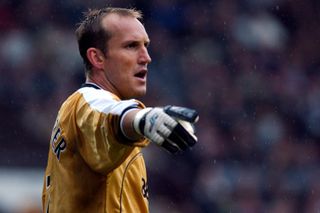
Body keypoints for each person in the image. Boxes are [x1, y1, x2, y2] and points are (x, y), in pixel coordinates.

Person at [42, 7, 199, 213]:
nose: (146, 57)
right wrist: (144, 118)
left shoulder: (82, 116)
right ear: (97, 58)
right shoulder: (87, 102)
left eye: (146, 45)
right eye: (131, 46)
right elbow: (111, 116)